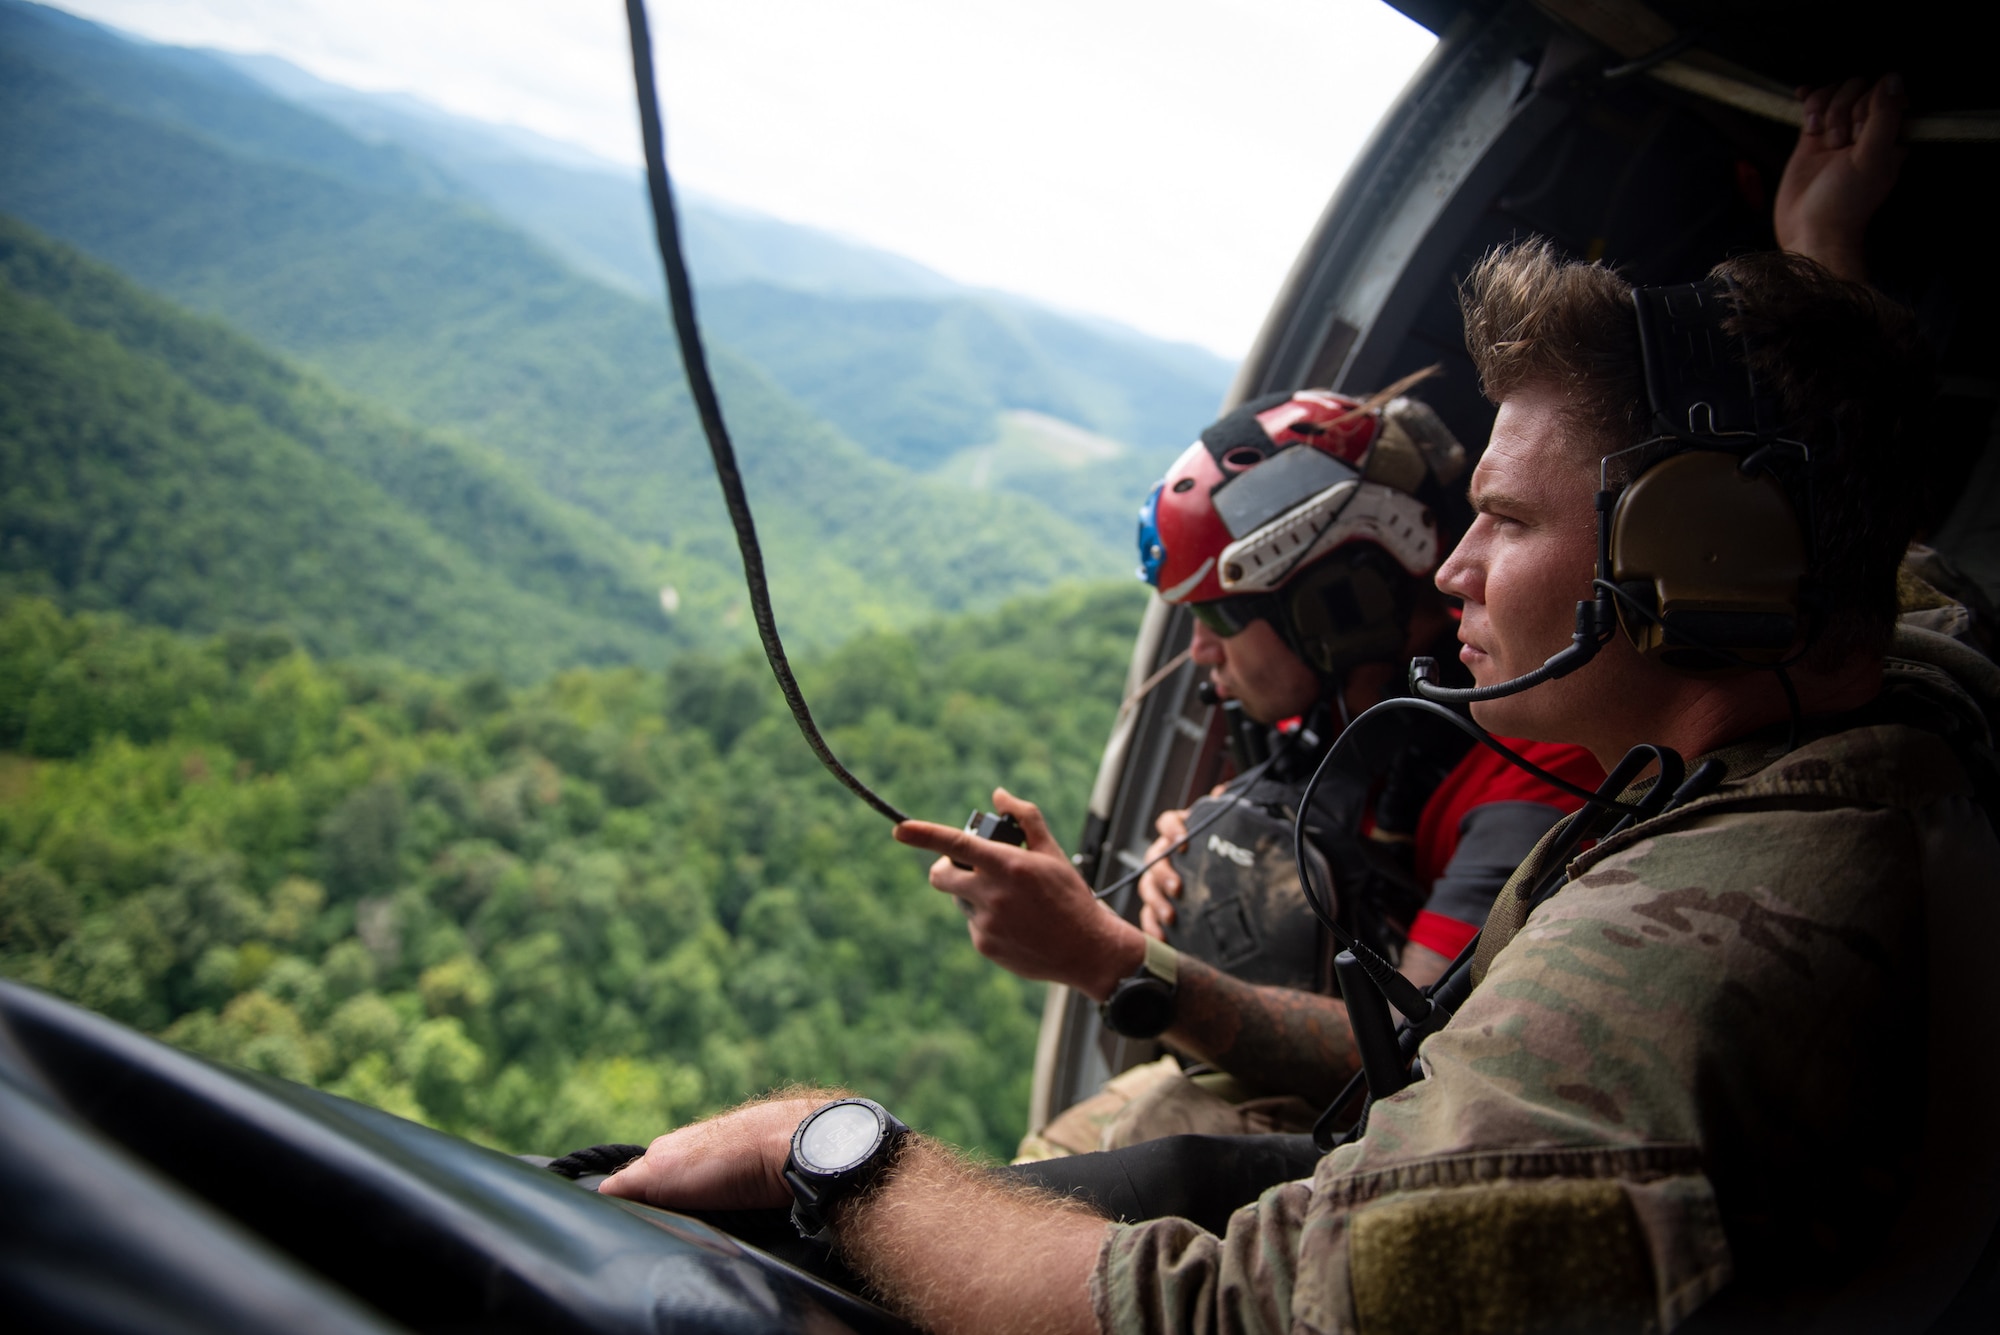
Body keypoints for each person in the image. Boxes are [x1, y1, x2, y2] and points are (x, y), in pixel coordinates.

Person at [600, 77, 2000, 1331]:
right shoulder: (1899, 673)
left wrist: (831, 1146)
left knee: (1140, 1122)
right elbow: (1892, 560)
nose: (1457, 563)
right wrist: (1820, 257)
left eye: (1505, 521)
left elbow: (1228, 1317)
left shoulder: (1661, 969)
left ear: (1697, 562)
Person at [979, 387, 1603, 1159]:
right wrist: (1220, 850)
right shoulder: (1346, 720)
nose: (1202, 656)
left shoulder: (1537, 763)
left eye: (1218, 618)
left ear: (1337, 604)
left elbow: (1408, 1048)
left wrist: (1111, 960)